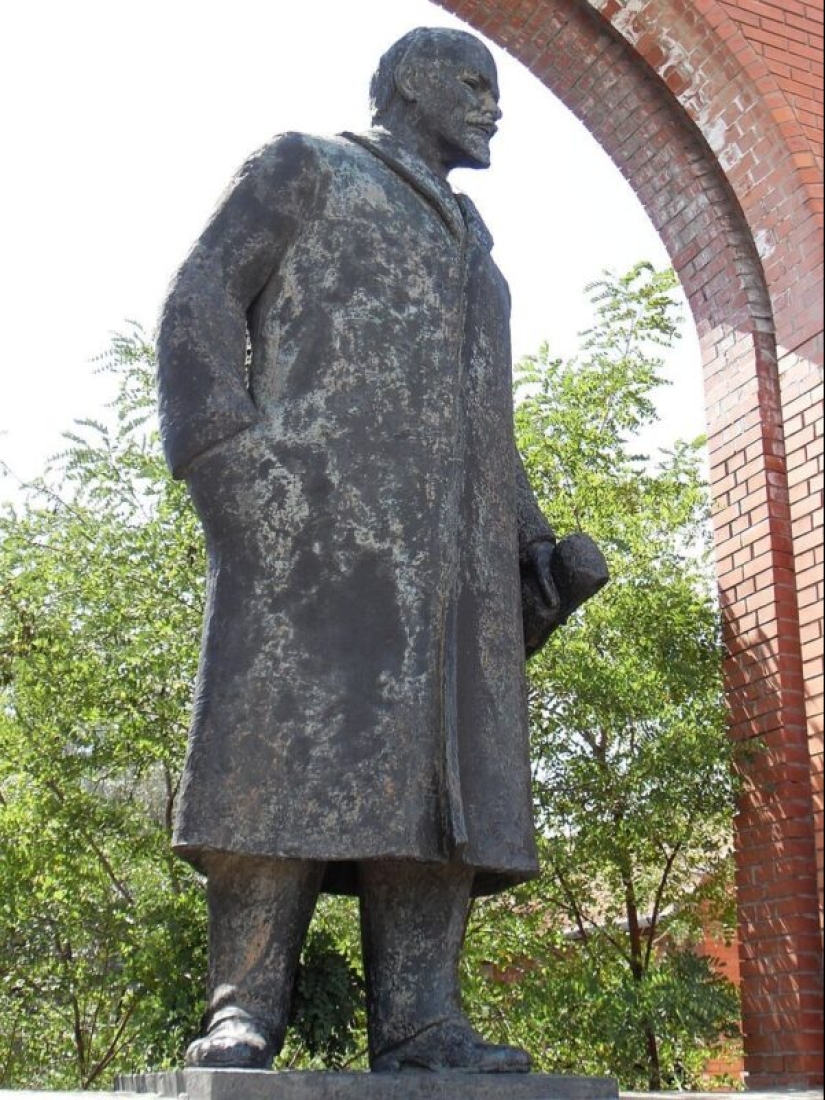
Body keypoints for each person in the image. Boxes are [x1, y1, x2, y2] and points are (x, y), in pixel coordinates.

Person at [157, 26, 589, 1074]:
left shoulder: (479, 256)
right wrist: (238, 477)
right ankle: (243, 1007)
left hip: (454, 569)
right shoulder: (307, 166)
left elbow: (492, 421)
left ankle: (423, 1017)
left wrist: (530, 543)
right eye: (473, 84)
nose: (496, 106)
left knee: (444, 785)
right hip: (309, 534)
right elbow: (198, 306)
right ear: (408, 83)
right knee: (278, 756)